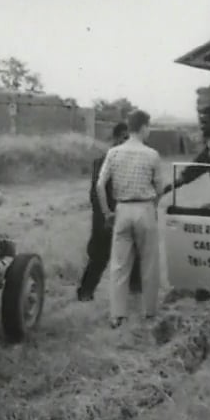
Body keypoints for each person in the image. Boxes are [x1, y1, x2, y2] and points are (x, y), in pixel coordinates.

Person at [95, 109, 164, 328]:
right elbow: (160, 187)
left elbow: (100, 185)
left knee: (119, 265)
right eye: (149, 127)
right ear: (143, 127)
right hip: (144, 208)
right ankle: (150, 311)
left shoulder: (114, 153)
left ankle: (118, 315)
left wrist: (107, 212)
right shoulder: (152, 154)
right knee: (149, 263)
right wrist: (152, 205)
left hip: (122, 209)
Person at [77, 122, 141, 301]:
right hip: (107, 217)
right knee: (99, 256)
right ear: (117, 138)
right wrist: (106, 216)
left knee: (135, 254)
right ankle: (85, 293)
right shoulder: (103, 162)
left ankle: (135, 294)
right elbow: (96, 194)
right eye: (125, 138)